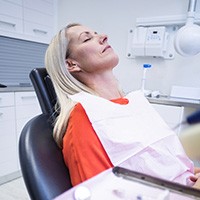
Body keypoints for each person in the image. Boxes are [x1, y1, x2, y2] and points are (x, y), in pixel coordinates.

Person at [45, 23, 200, 189]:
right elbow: (99, 193)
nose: (103, 36)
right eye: (87, 38)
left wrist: (189, 174)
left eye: (96, 32)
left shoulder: (131, 104)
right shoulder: (84, 117)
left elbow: (160, 164)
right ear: (71, 64)